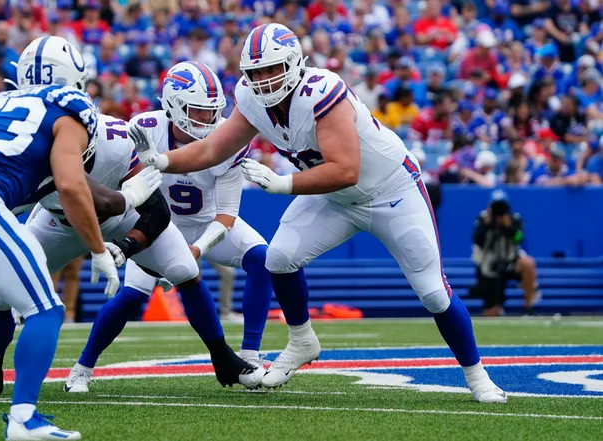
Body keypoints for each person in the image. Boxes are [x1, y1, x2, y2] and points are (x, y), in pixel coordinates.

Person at [132, 23, 506, 403]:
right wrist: (161, 160)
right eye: (255, 71)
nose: (262, 79)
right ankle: (301, 342)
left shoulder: (321, 91)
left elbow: (346, 169)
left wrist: (282, 184)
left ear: (294, 63)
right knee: (278, 258)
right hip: (335, 198)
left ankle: (477, 377)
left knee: (433, 293)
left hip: (392, 191)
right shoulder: (250, 98)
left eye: (271, 69)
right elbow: (213, 150)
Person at [0, 111, 261, 398]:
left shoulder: (119, 142)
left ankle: (222, 357)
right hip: (58, 223)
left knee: (182, 268)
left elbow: (157, 213)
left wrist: (126, 248)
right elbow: (0, 209)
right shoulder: (28, 154)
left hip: (121, 219)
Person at [0, 35, 119, 440]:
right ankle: (23, 420)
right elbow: (72, 186)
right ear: (76, 78)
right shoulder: (70, 109)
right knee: (43, 309)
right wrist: (97, 249)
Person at [93, 61, 273, 384]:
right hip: (159, 227)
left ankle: (249, 356)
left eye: (211, 111)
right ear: (173, 106)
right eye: (198, 111)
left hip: (208, 225)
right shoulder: (145, 128)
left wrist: (197, 249)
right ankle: (83, 367)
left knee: (264, 258)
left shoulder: (226, 139)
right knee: (132, 295)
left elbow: (227, 214)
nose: (207, 119)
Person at [470, 192, 541, 316]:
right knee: (492, 313)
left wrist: (509, 227)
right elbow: (477, 240)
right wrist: (487, 224)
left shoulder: (514, 219)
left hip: (510, 263)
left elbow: (519, 238)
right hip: (489, 267)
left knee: (528, 263)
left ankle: (528, 308)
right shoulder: (483, 219)